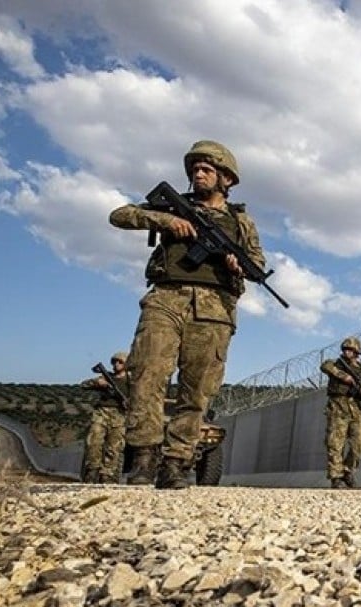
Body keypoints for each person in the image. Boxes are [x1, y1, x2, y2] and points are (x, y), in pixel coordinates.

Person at [109, 140, 266, 489]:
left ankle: (177, 462)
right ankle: (144, 458)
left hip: (215, 307)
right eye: (195, 169)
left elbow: (256, 263)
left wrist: (238, 264)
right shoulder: (175, 207)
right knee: (147, 372)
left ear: (226, 177)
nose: (198, 173)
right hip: (166, 297)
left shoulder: (240, 222)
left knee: (198, 389)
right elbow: (119, 215)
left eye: (207, 169)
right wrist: (165, 220)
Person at [320, 337, 361, 489]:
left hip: (355, 406)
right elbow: (325, 366)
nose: (346, 352)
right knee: (335, 442)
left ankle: (348, 471)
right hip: (338, 405)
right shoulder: (336, 363)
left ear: (357, 351)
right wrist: (345, 377)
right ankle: (336, 477)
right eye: (345, 349)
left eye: (350, 349)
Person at [80, 352, 129, 484]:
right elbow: (83, 385)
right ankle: (92, 471)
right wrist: (97, 382)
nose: (116, 365)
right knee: (94, 442)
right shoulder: (106, 377)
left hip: (120, 415)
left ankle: (108, 475)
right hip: (102, 412)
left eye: (120, 362)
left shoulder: (131, 381)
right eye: (114, 362)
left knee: (114, 447)